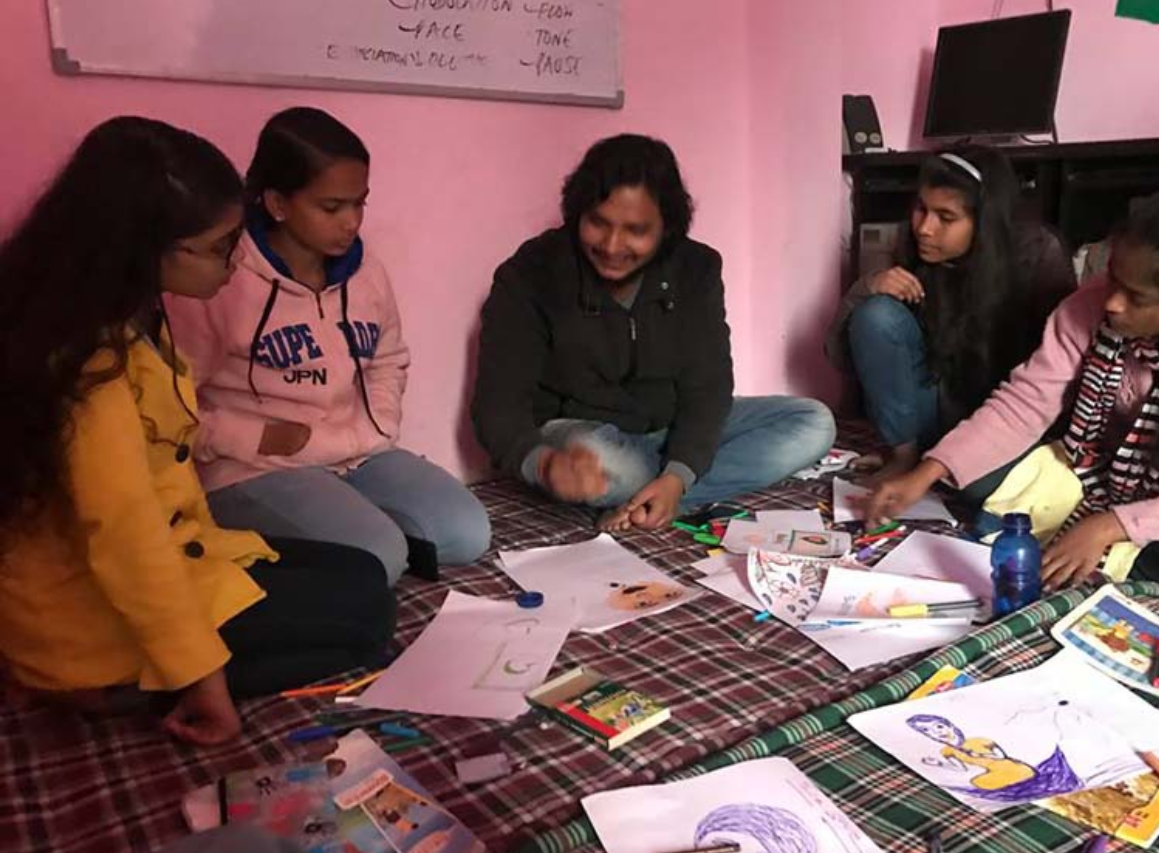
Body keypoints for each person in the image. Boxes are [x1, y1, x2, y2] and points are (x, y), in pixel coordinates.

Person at [0, 117, 395, 745]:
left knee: (366, 575)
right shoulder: (86, 365)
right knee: (365, 622)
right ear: (143, 247)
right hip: (92, 614)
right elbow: (126, 536)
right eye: (217, 247)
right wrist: (201, 676)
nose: (235, 260)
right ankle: (122, 686)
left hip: (180, 549)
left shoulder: (130, 314)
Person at [865, 183, 1159, 608]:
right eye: (1113, 277)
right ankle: (1130, 551)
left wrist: (1112, 525)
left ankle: (1126, 545)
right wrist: (928, 471)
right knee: (970, 478)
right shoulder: (1089, 306)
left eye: (1137, 297)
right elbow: (1025, 402)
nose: (1112, 303)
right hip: (1098, 467)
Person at [167, 107, 490, 584]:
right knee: (377, 558)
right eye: (332, 207)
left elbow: (388, 358)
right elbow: (170, 407)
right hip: (255, 466)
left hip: (356, 454)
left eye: (360, 204)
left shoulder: (366, 271)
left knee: (467, 533)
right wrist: (252, 437)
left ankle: (358, 532)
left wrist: (379, 424)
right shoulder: (218, 279)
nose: (351, 222)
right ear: (278, 203)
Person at [472, 133, 835, 531]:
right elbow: (497, 405)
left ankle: (655, 495)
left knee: (813, 422)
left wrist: (679, 475)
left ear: (667, 229)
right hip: (586, 436)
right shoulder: (530, 273)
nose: (612, 245)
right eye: (597, 223)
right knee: (599, 460)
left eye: (636, 230)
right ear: (577, 213)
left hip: (669, 427)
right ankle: (643, 491)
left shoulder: (696, 269)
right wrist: (543, 464)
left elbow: (708, 385)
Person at [827, 146, 1076, 484]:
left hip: (1006, 419)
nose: (925, 228)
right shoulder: (912, 247)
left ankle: (943, 466)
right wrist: (867, 287)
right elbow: (839, 356)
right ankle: (903, 456)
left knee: (979, 488)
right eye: (921, 209)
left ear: (985, 222)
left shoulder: (1037, 255)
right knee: (877, 315)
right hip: (936, 412)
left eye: (946, 217)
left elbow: (1058, 373)